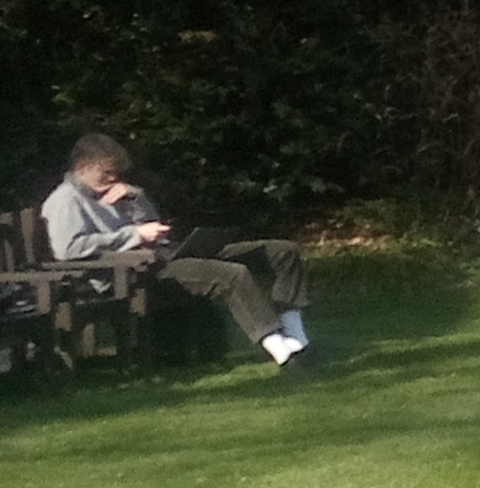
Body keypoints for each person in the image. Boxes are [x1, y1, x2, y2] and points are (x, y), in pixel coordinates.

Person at [40, 133, 310, 367]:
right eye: (106, 173)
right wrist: (134, 235)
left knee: (282, 251)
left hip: (169, 253)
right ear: (82, 167)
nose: (113, 179)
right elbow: (69, 249)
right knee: (233, 275)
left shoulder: (115, 190)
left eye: (116, 174)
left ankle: (298, 337)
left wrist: (135, 197)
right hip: (137, 272)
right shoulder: (65, 200)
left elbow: (149, 222)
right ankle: (283, 352)